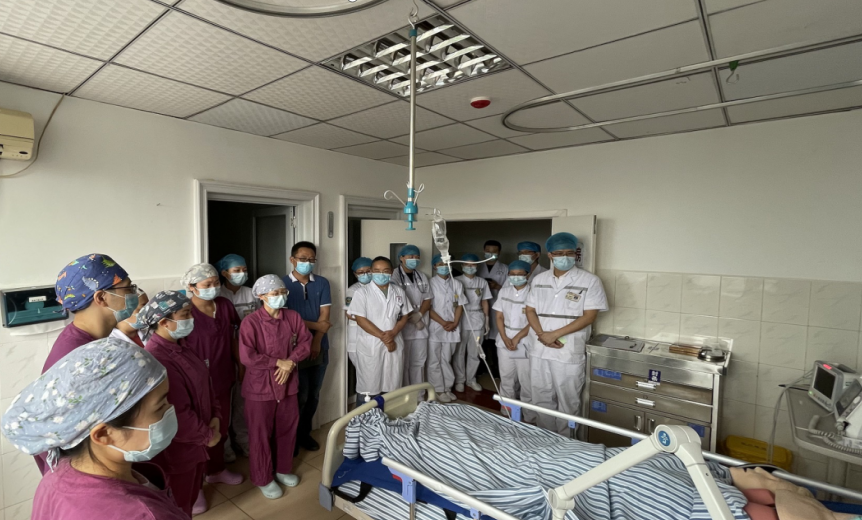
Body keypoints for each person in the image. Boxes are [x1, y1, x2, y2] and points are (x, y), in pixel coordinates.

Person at [2, 337, 187, 520]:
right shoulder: (144, 515)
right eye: (160, 406)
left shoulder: (57, 475)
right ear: (104, 434)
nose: (171, 409)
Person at [37, 253, 139, 474]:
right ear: (101, 297)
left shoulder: (92, 341)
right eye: (129, 288)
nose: (135, 294)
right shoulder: (80, 356)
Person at [141, 290, 224, 516]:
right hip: (179, 449)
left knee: (191, 496)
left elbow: (206, 383)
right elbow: (176, 411)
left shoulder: (183, 346)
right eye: (185, 314)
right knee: (179, 505)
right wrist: (207, 435)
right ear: (164, 322)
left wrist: (216, 416)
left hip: (197, 441)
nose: (192, 318)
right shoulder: (159, 358)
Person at [526, 232, 608, 435]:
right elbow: (530, 310)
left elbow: (589, 316)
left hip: (567, 351)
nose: (565, 257)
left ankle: (566, 443)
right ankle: (545, 439)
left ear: (575, 254)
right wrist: (542, 335)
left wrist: (553, 335)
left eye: (569, 253)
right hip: (539, 349)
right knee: (541, 397)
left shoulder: (590, 280)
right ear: (550, 255)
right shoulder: (539, 280)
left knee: (568, 401)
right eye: (559, 253)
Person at [239, 275, 312, 499]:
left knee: (287, 429)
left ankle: (283, 469)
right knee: (260, 435)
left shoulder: (292, 317)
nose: (280, 297)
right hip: (260, 388)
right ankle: (263, 477)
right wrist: (277, 362)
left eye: (283, 293)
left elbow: (305, 342)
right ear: (262, 296)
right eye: (275, 293)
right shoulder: (250, 322)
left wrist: (290, 362)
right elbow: (247, 356)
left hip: (288, 385)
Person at [181, 264, 244, 494]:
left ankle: (216, 470)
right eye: (207, 284)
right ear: (191, 287)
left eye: (216, 283)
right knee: (197, 432)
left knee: (220, 427)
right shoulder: (184, 312)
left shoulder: (224, 305)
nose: (214, 287)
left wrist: (240, 364)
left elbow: (233, 336)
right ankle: (195, 485)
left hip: (223, 376)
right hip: (195, 383)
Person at [282, 241, 331, 454]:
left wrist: (317, 340)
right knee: (298, 396)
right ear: (292, 260)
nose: (308, 263)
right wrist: (316, 326)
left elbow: (325, 316)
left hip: (319, 346)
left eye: (311, 259)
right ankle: (291, 439)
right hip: (292, 350)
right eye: (303, 259)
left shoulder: (322, 283)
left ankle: (304, 434)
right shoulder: (281, 284)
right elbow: (285, 319)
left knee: (313, 395)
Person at [349, 257, 413, 405]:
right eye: (377, 271)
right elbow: (360, 319)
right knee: (368, 388)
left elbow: (405, 315)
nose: (381, 274)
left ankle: (386, 418)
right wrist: (385, 338)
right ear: (371, 271)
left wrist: (393, 333)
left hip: (394, 342)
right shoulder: (362, 293)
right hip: (371, 344)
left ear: (391, 272)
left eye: (385, 271)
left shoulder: (398, 291)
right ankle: (364, 418)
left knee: (391, 387)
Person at [216, 253, 256, 460]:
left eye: (244, 270)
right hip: (222, 355)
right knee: (223, 405)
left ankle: (244, 441)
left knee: (242, 402)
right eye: (237, 270)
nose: (242, 273)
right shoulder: (216, 296)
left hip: (247, 353)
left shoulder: (251, 294)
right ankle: (225, 446)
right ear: (224, 273)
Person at [492, 260, 537, 424]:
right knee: (506, 378)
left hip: (524, 340)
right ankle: (507, 412)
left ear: (528, 275)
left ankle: (530, 416)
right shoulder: (504, 291)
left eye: (520, 274)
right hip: (505, 339)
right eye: (512, 274)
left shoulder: (534, 293)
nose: (516, 277)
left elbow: (534, 320)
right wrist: (504, 337)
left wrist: (517, 338)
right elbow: (499, 316)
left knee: (526, 380)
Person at [389, 245, 432, 392]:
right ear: (401, 257)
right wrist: (409, 315)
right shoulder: (394, 275)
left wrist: (419, 315)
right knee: (403, 363)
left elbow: (428, 298)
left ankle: (419, 394)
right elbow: (396, 298)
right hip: (403, 326)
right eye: (411, 256)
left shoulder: (422, 276)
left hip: (420, 326)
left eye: (417, 257)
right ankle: (406, 394)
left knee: (419, 362)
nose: (414, 259)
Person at [427, 255, 466, 403]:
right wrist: (443, 322)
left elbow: (460, 305)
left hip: (453, 327)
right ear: (434, 266)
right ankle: (438, 389)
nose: (443, 266)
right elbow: (427, 307)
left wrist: (455, 323)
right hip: (435, 326)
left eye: (446, 264)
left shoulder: (457, 284)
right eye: (440, 264)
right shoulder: (430, 283)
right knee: (434, 360)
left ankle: (447, 387)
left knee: (446, 359)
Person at [454, 254, 492, 393]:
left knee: (475, 351)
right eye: (467, 264)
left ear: (477, 266)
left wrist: (487, 320)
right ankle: (460, 380)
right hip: (461, 317)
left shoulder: (482, 282)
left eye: (473, 264)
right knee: (459, 352)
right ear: (462, 266)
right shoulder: (456, 281)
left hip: (477, 317)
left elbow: (485, 301)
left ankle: (471, 379)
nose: (470, 267)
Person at [345, 257, 373, 366]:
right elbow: (349, 313)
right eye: (361, 272)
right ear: (355, 274)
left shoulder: (378, 288)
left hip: (374, 338)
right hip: (356, 338)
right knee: (363, 371)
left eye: (368, 271)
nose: (365, 274)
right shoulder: (353, 290)